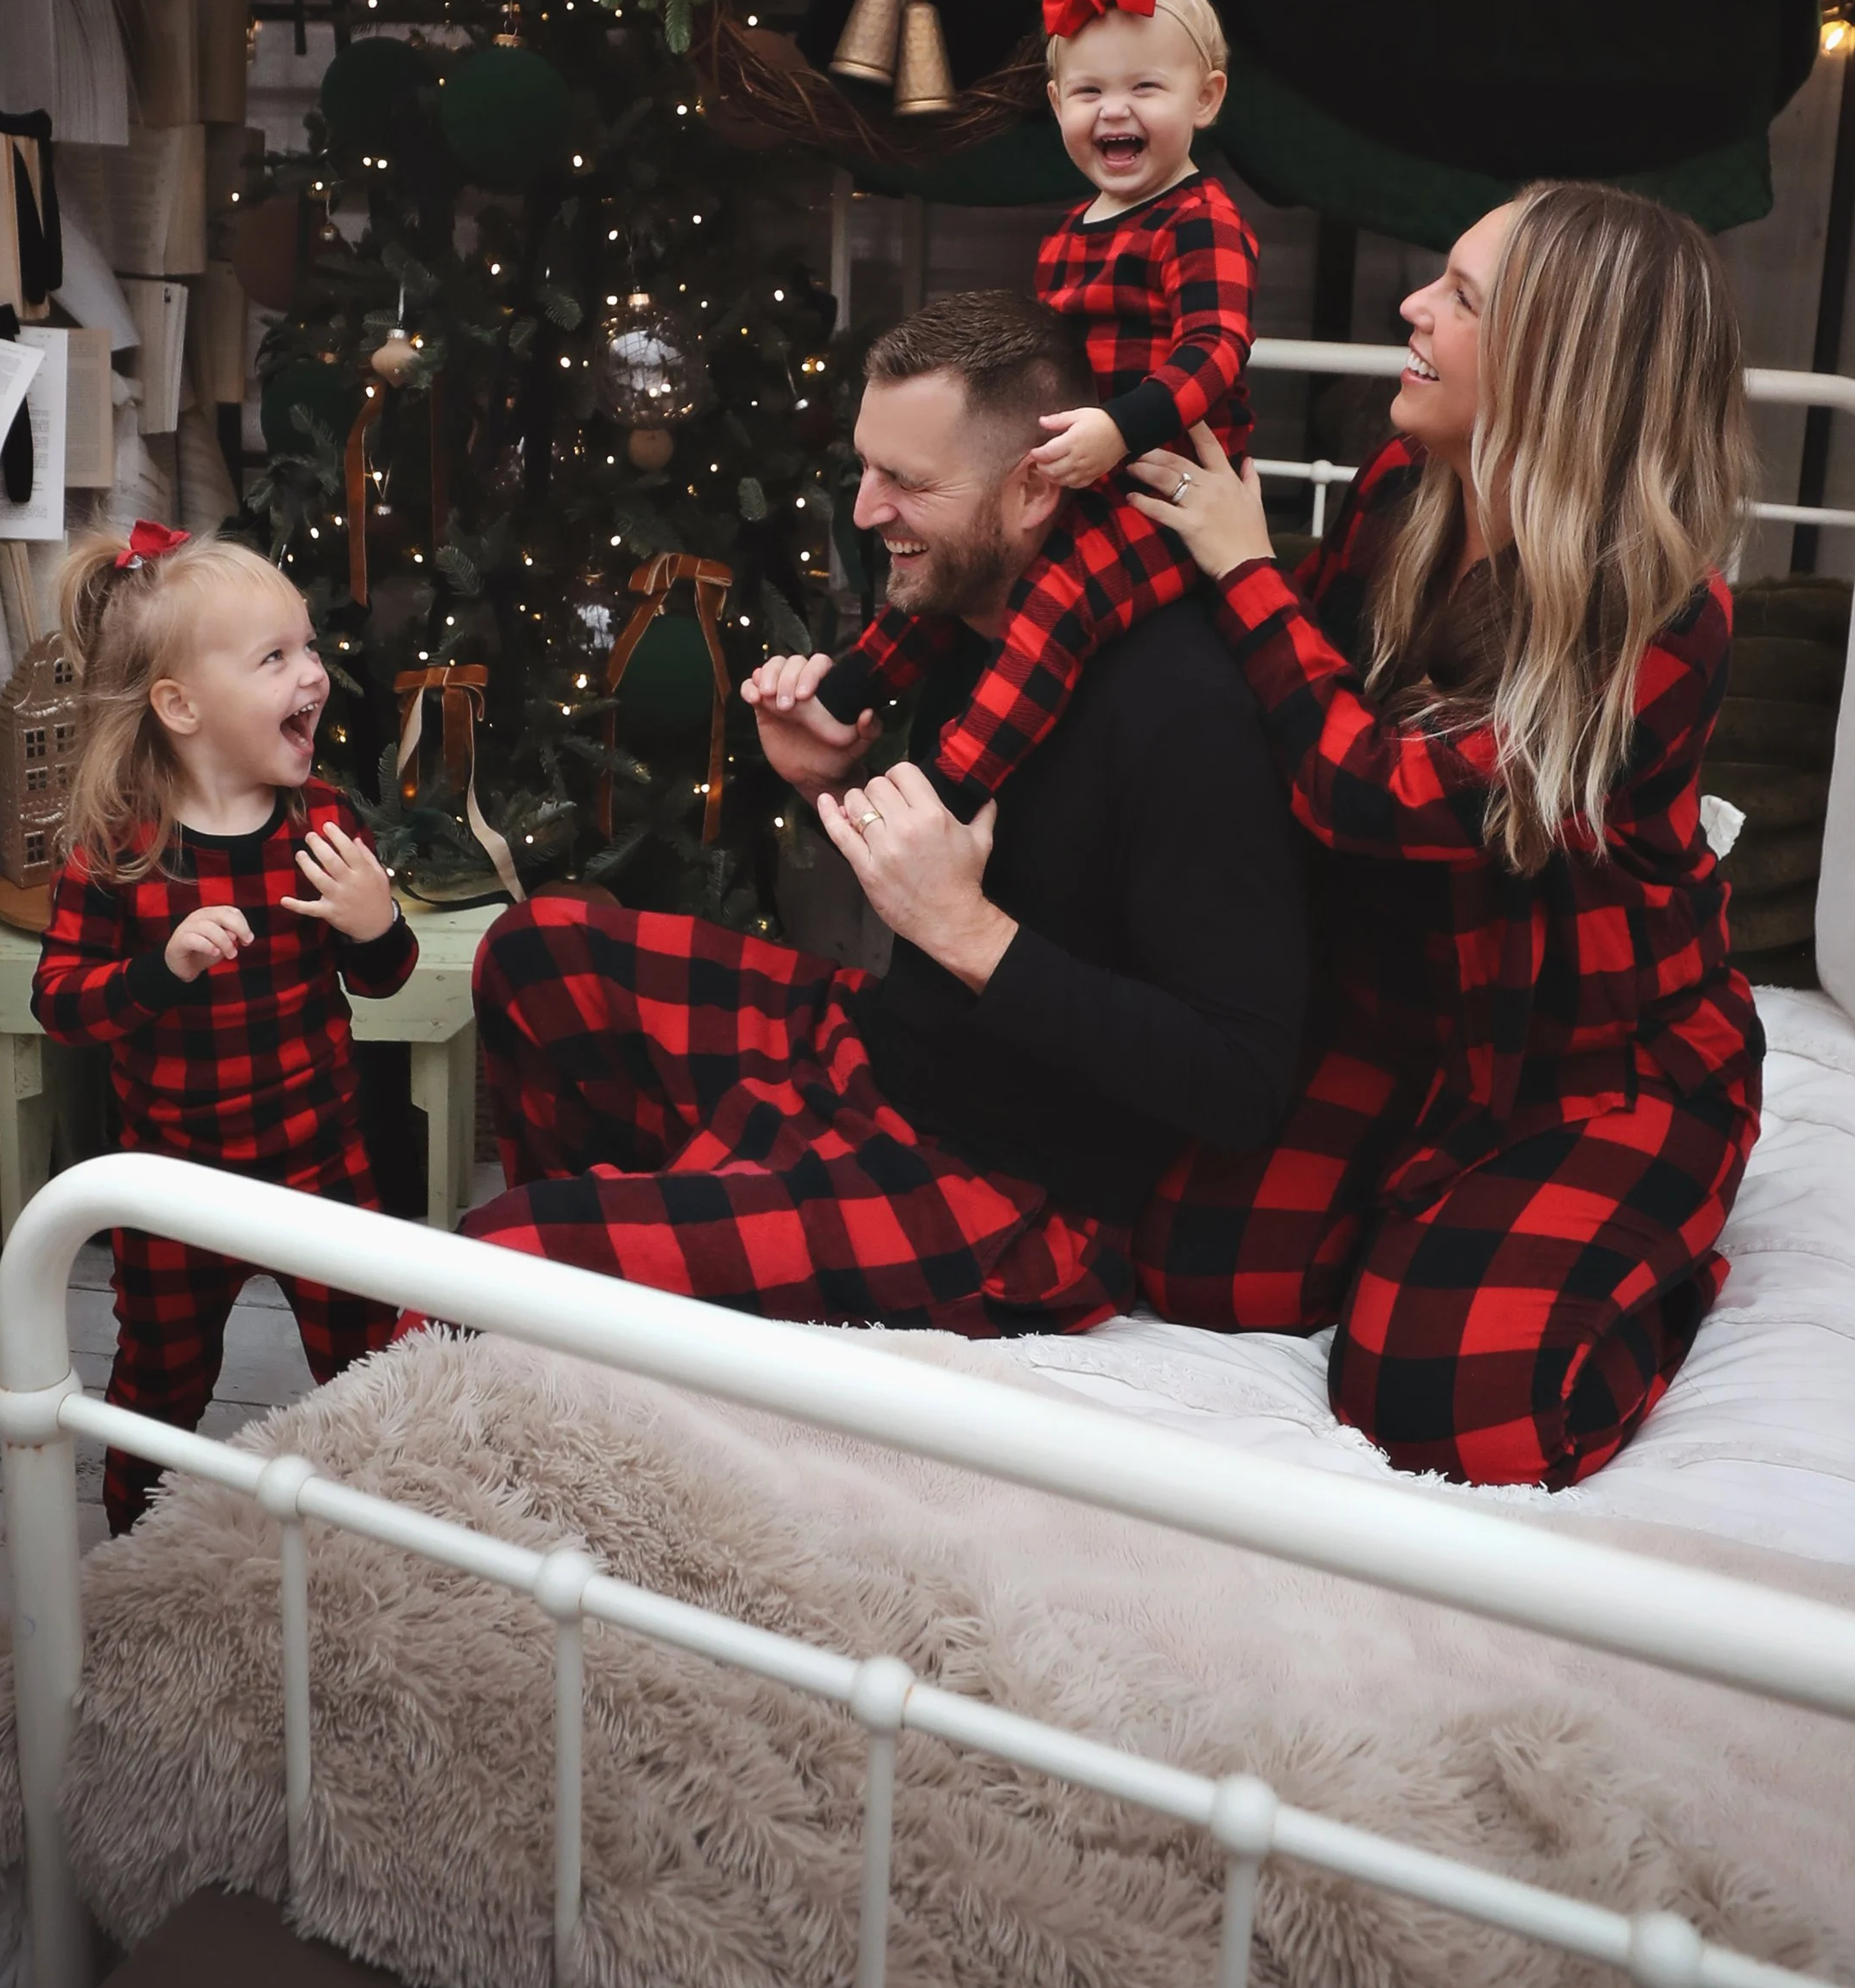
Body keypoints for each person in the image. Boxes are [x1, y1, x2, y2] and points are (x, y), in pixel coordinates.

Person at [462, 291, 1306, 1330]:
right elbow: (945, 868)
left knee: (499, 1261)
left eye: (906, 482)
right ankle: (646, 1301)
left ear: (1036, 486)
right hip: (880, 1053)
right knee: (537, 951)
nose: (864, 511)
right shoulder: (968, 622)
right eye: (865, 468)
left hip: (1009, 1190)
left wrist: (968, 933)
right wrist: (822, 782)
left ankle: (613, 1273)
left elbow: (1239, 1080)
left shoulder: (1185, 710)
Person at [1126, 180, 1762, 1491]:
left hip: (1597, 1064)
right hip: (1409, 1029)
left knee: (1441, 1405)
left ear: (1558, 363)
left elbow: (1379, 791)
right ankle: (1425, 1211)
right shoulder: (1401, 493)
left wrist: (1248, 568)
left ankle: (1663, 1263)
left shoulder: (1663, 615)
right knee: (1192, 1260)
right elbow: (1271, 704)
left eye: (1462, 297)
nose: (1411, 309)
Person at [814, 0, 1262, 816]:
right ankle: (842, 695)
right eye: (1088, 91)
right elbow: (1037, 370)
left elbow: (1215, 350)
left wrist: (1118, 427)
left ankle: (949, 791)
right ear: (1055, 102)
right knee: (961, 568)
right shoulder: (1067, 232)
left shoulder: (1197, 219)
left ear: (1205, 99)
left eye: (1145, 87)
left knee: (1054, 604)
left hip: (1162, 489)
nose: (1113, 112)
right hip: (1076, 469)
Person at [33, 521, 417, 1530]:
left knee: (370, 1366)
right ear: (181, 706)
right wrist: (163, 968)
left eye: (311, 648)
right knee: (160, 1386)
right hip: (173, 1183)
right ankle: (135, 1558)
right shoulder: (123, 849)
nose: (314, 674)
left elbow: (382, 980)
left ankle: (382, 1536)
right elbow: (62, 1008)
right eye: (275, 657)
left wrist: (378, 925)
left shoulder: (322, 823)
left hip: (320, 1162)